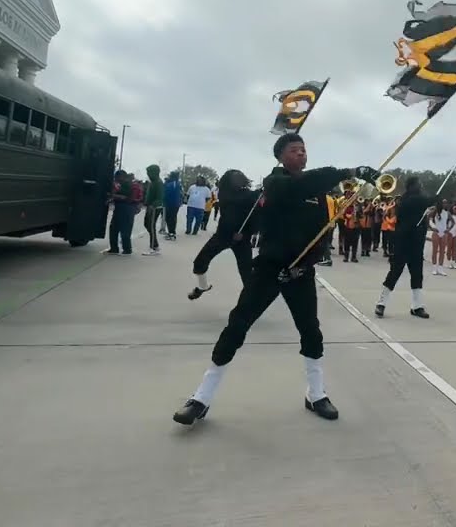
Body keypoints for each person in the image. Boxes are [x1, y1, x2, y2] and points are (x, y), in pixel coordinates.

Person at [172, 133, 380, 425]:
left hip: (299, 273)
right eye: (295, 151)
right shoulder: (275, 183)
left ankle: (316, 394)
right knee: (236, 327)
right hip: (268, 269)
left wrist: (304, 265)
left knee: (311, 331)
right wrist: (350, 173)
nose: (302, 155)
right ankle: (201, 398)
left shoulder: (316, 192)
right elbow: (302, 184)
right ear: (281, 156)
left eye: (304, 150)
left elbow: (321, 234)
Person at [188, 169, 260, 300]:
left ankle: (252, 301)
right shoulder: (225, 194)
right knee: (199, 262)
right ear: (227, 181)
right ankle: (203, 286)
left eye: (239, 176)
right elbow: (233, 209)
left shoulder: (251, 196)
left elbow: (255, 217)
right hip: (223, 236)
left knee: (247, 273)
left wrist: (246, 233)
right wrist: (256, 194)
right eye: (234, 177)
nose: (237, 179)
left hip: (242, 239)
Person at [375, 177, 434, 318]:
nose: (421, 186)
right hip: (403, 243)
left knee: (417, 275)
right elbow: (424, 201)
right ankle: (381, 303)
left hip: (416, 244)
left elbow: (426, 203)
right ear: (412, 186)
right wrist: (433, 199)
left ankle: (417, 306)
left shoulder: (418, 201)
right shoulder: (406, 200)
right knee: (395, 272)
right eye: (418, 184)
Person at [105, 169, 139, 255]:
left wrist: (115, 196)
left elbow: (127, 198)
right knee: (114, 229)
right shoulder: (123, 184)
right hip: (120, 209)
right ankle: (115, 248)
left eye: (117, 177)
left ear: (122, 177)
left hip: (126, 209)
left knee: (125, 230)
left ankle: (126, 249)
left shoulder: (128, 184)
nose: (116, 179)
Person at [142, 164, 163, 256]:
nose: (148, 174)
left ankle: (154, 248)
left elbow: (160, 197)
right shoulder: (152, 182)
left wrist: (153, 206)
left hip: (154, 208)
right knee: (147, 224)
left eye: (149, 172)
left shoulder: (158, 182)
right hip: (149, 206)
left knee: (151, 226)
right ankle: (155, 245)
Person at [162, 171, 183, 240]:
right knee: (172, 218)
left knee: (170, 219)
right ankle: (171, 232)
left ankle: (172, 233)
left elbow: (166, 193)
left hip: (170, 204)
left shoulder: (172, 184)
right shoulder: (177, 183)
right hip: (175, 204)